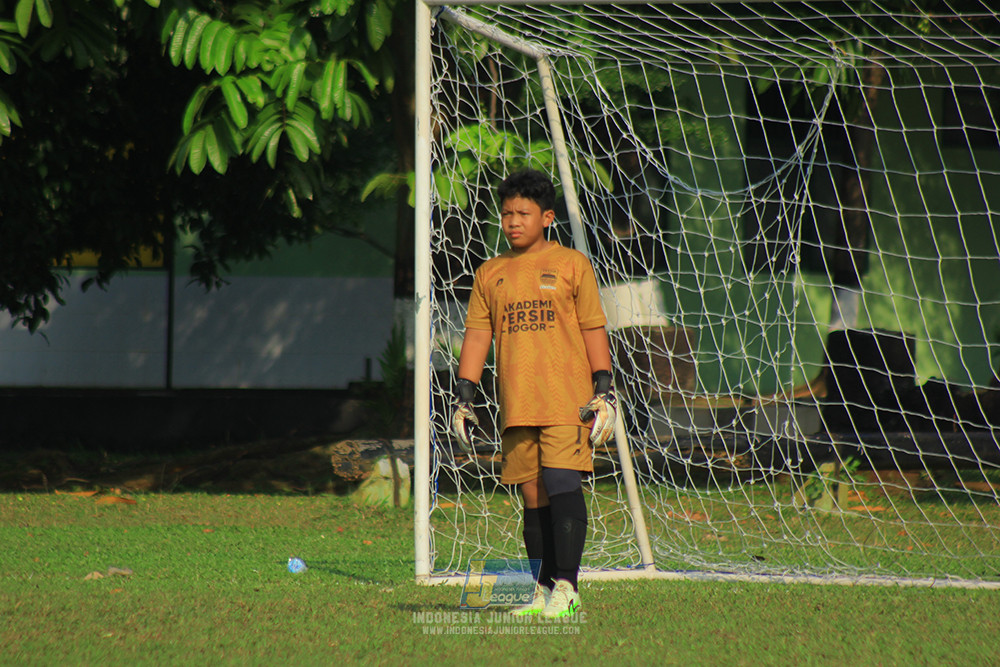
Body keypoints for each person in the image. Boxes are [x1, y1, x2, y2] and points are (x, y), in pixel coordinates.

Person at [451, 169, 617, 619]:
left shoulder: (571, 264)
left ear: (545, 217)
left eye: (522, 213)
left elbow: (592, 326)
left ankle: (568, 587)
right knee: (532, 494)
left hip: (567, 400)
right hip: (518, 404)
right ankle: (541, 590)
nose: (512, 221)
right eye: (506, 213)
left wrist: (604, 385)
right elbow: (477, 335)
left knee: (563, 483)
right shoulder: (490, 273)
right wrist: (463, 394)